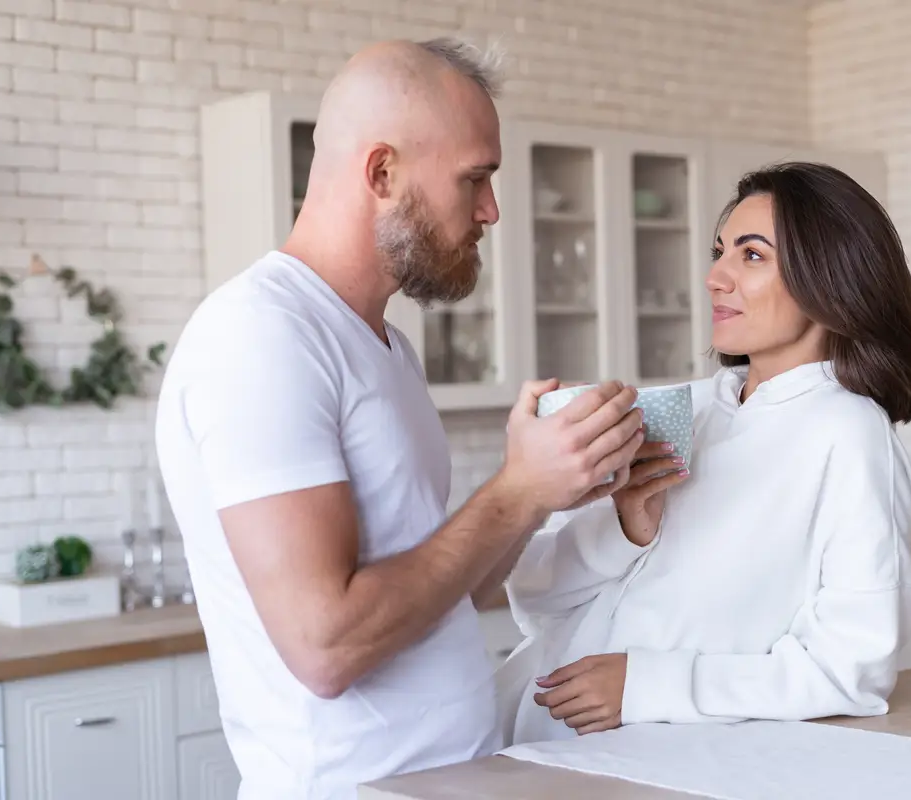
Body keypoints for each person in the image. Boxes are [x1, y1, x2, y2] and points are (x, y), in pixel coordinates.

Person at [154, 38, 645, 800]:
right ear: (382, 173)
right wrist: (514, 491)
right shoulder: (261, 337)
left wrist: (541, 493)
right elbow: (327, 645)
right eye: (474, 179)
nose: (492, 210)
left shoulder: (384, 346)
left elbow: (443, 592)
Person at [496, 161, 911, 745]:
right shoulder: (684, 409)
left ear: (828, 278)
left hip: (653, 761)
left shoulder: (849, 435)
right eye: (719, 251)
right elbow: (533, 598)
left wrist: (646, 685)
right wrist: (626, 531)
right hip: (521, 738)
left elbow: (852, 670)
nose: (714, 277)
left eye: (751, 256)